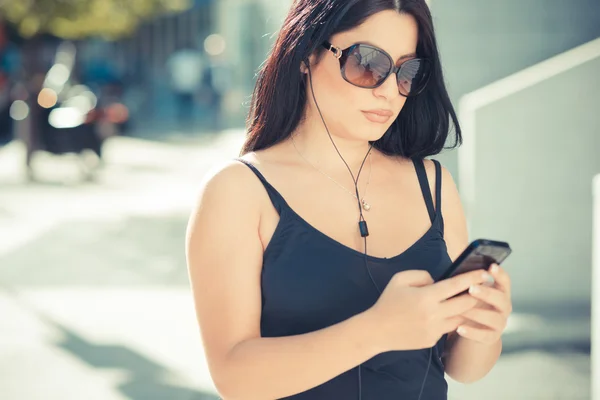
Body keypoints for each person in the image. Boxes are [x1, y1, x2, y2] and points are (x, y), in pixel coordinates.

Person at [185, 1, 513, 399]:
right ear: (307, 54)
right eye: (367, 63)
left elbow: (462, 367)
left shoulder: (433, 184)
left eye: (408, 72)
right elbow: (234, 378)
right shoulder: (238, 189)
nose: (390, 90)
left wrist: (485, 328)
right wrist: (378, 329)